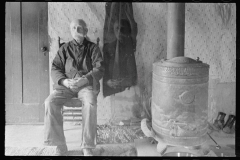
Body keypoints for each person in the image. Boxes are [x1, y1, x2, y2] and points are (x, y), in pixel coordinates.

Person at [43, 19, 104, 156]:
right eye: (73, 28)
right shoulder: (64, 49)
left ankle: (87, 146)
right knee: (49, 102)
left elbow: (99, 68)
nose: (76, 31)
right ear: (70, 31)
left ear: (86, 31)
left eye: (79, 28)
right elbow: (55, 68)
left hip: (85, 86)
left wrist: (85, 79)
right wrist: (64, 81)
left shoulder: (93, 48)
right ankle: (60, 145)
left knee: (90, 102)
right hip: (66, 86)